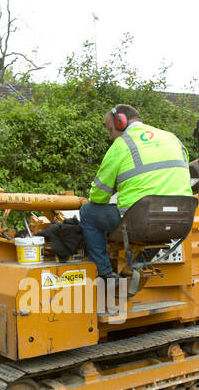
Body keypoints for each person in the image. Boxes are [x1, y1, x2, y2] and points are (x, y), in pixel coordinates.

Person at [80, 104, 192, 282]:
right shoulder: (173, 139)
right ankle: (138, 264)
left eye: (110, 130)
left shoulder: (122, 144)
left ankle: (104, 274)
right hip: (180, 220)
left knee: (88, 212)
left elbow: (98, 195)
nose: (110, 136)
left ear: (121, 121)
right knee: (142, 220)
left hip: (140, 222)